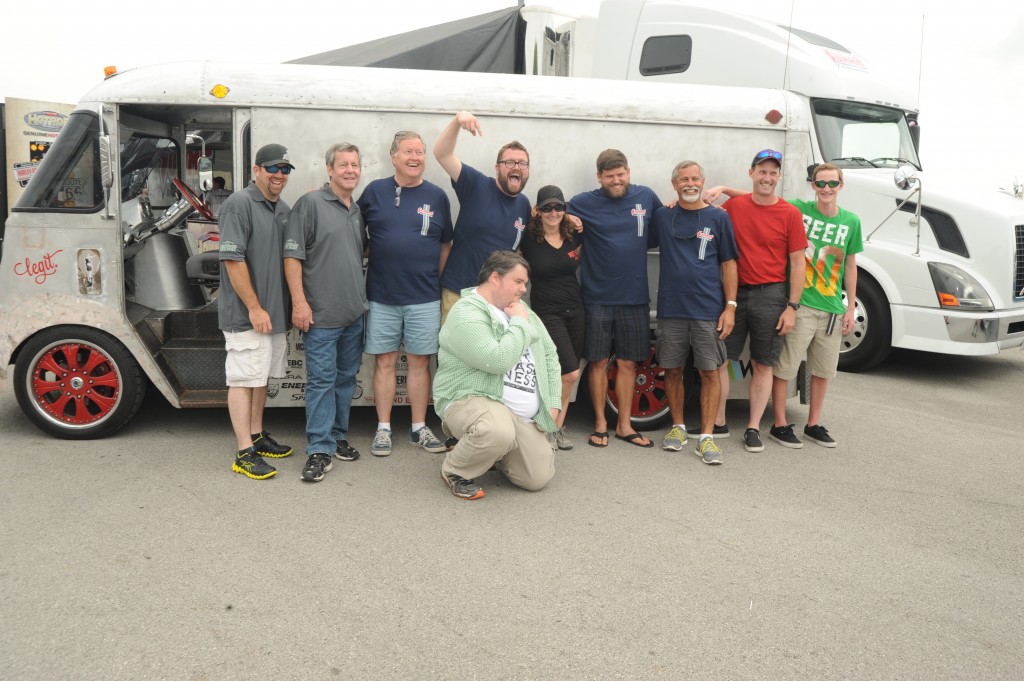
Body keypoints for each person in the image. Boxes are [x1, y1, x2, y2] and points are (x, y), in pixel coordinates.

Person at [432, 251, 561, 500]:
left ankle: (492, 452)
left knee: (536, 478)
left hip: (518, 416)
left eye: (526, 283)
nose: (524, 289)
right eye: (518, 281)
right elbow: (496, 360)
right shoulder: (466, 312)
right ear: (495, 277)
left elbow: (549, 355)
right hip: (471, 401)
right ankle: (455, 469)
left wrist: (553, 402)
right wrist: (520, 324)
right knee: (495, 429)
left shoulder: (522, 310)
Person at [705, 149, 808, 453]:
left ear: (778, 177)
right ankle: (719, 421)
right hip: (733, 295)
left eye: (772, 172)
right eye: (761, 171)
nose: (767, 177)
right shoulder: (735, 206)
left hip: (771, 295)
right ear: (751, 173)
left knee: (763, 364)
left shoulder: (789, 214)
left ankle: (753, 428)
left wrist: (792, 307)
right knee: (721, 358)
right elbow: (700, 204)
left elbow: (798, 263)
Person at [358, 131, 453, 457]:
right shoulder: (374, 192)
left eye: (420, 152)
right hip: (382, 295)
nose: (415, 158)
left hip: (424, 297)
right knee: (383, 362)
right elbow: (352, 229)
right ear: (394, 156)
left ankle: (418, 428)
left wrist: (432, 278)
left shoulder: (437, 196)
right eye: (408, 152)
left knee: (419, 363)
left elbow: (445, 244)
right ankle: (383, 428)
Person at [567, 149, 663, 448]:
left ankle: (624, 425)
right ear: (600, 177)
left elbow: (664, 226)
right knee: (596, 363)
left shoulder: (646, 197)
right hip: (596, 297)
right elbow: (545, 211)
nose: (616, 180)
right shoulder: (583, 202)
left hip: (634, 297)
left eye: (621, 174)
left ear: (628, 172)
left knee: (628, 363)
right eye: (610, 176)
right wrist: (568, 215)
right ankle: (600, 423)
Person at [284, 143, 368, 483]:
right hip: (319, 316)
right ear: (329, 170)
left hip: (352, 314)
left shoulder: (356, 209)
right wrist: (300, 303)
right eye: (343, 164)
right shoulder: (310, 204)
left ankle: (335, 436)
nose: (350, 170)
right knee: (321, 382)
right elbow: (292, 257)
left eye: (355, 164)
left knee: (346, 379)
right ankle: (318, 449)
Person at [649, 161, 738, 465]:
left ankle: (707, 437)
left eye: (695, 178)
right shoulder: (663, 216)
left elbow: (728, 263)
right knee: (672, 370)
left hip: (707, 310)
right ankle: (678, 428)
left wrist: (730, 306)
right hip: (671, 309)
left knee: (709, 372)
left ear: (703, 181)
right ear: (674, 184)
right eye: (683, 179)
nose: (690, 184)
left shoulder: (718, 218)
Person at [767, 163, 862, 448]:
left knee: (823, 370)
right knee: (786, 367)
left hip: (832, 307)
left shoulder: (851, 221)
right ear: (813, 185)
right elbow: (765, 199)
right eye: (821, 183)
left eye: (832, 184)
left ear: (841, 186)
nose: (826, 189)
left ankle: (814, 423)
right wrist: (722, 190)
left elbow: (850, 265)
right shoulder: (799, 210)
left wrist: (850, 308)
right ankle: (780, 423)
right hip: (802, 304)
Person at [217, 143, 295, 480]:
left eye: (285, 169)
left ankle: (257, 434)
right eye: (273, 168)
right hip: (248, 314)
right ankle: (244, 452)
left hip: (274, 313)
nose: (279, 175)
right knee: (243, 378)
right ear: (257, 170)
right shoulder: (239, 204)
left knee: (260, 376)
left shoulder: (282, 208)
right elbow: (233, 261)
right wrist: (254, 307)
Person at [432, 111, 532, 323]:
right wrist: (458, 120)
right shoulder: (476, 184)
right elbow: (442, 154)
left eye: (522, 163)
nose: (516, 167)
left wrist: (571, 218)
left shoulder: (524, 205)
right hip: (459, 294)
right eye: (509, 162)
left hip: (498, 302)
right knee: (455, 355)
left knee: (490, 355)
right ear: (497, 168)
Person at [519, 185, 584, 451]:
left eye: (559, 207)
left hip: (576, 310)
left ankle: (556, 427)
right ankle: (549, 426)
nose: (553, 212)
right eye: (547, 207)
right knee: (569, 372)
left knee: (566, 375)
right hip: (547, 313)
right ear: (537, 211)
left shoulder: (575, 235)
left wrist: (576, 218)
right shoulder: (528, 240)